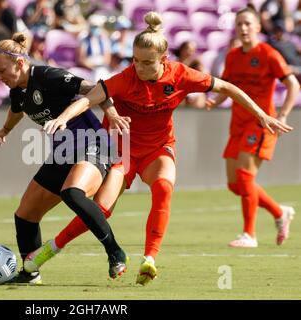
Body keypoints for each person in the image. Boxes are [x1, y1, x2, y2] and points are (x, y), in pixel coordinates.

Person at [23, 10, 293, 286]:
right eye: (136, 61)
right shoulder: (126, 78)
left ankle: (149, 259)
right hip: (122, 152)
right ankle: (50, 249)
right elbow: (88, 99)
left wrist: (261, 114)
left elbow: (227, 87)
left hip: (158, 148)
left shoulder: (181, 75)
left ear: (163, 60)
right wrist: (63, 118)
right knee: (101, 210)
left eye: (147, 63)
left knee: (163, 188)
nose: (139, 68)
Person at [0, 32, 129, 284]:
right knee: (25, 214)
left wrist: (111, 113)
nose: (0, 77)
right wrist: (5, 130)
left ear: (19, 63)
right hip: (63, 153)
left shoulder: (50, 76)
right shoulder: (17, 89)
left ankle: (115, 251)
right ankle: (30, 273)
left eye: (2, 70)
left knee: (72, 193)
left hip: (94, 146)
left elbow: (96, 88)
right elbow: (18, 109)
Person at [206, 5, 300, 248]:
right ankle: (280, 212)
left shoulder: (269, 54)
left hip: (261, 123)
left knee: (245, 176)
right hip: (237, 123)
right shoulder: (233, 55)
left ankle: (249, 235)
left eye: (248, 23)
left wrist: (284, 114)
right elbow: (227, 86)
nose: (244, 28)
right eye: (239, 24)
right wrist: (214, 101)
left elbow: (293, 85)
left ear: (258, 27)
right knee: (234, 184)